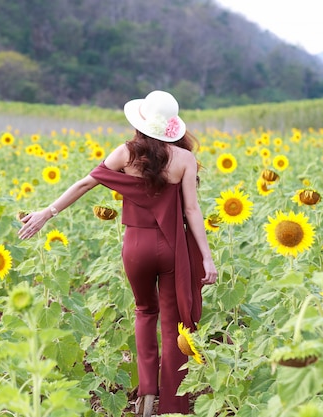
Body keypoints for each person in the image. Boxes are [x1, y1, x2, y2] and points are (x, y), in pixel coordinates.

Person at [18, 90, 218, 416]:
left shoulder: (126, 154)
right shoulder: (184, 160)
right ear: (172, 127)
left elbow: (85, 184)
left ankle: (147, 398)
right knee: (173, 325)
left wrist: (46, 213)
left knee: (144, 312)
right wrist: (207, 257)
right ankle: (174, 406)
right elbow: (192, 210)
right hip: (172, 248)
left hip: (136, 247)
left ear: (141, 122)